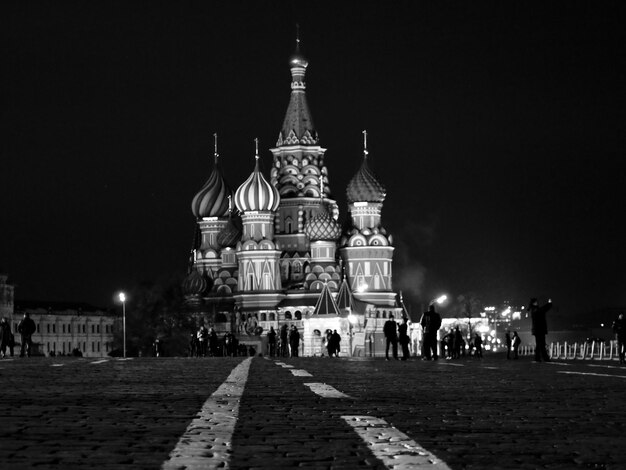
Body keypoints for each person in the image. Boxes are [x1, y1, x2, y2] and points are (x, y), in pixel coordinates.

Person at [529, 297, 553, 362]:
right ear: (534, 303)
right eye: (536, 302)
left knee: (539, 345)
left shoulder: (533, 310)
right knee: (541, 345)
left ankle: (539, 358)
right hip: (539, 330)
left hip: (537, 330)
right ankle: (544, 358)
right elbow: (543, 309)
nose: (537, 303)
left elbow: (542, 309)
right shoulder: (535, 310)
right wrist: (549, 304)